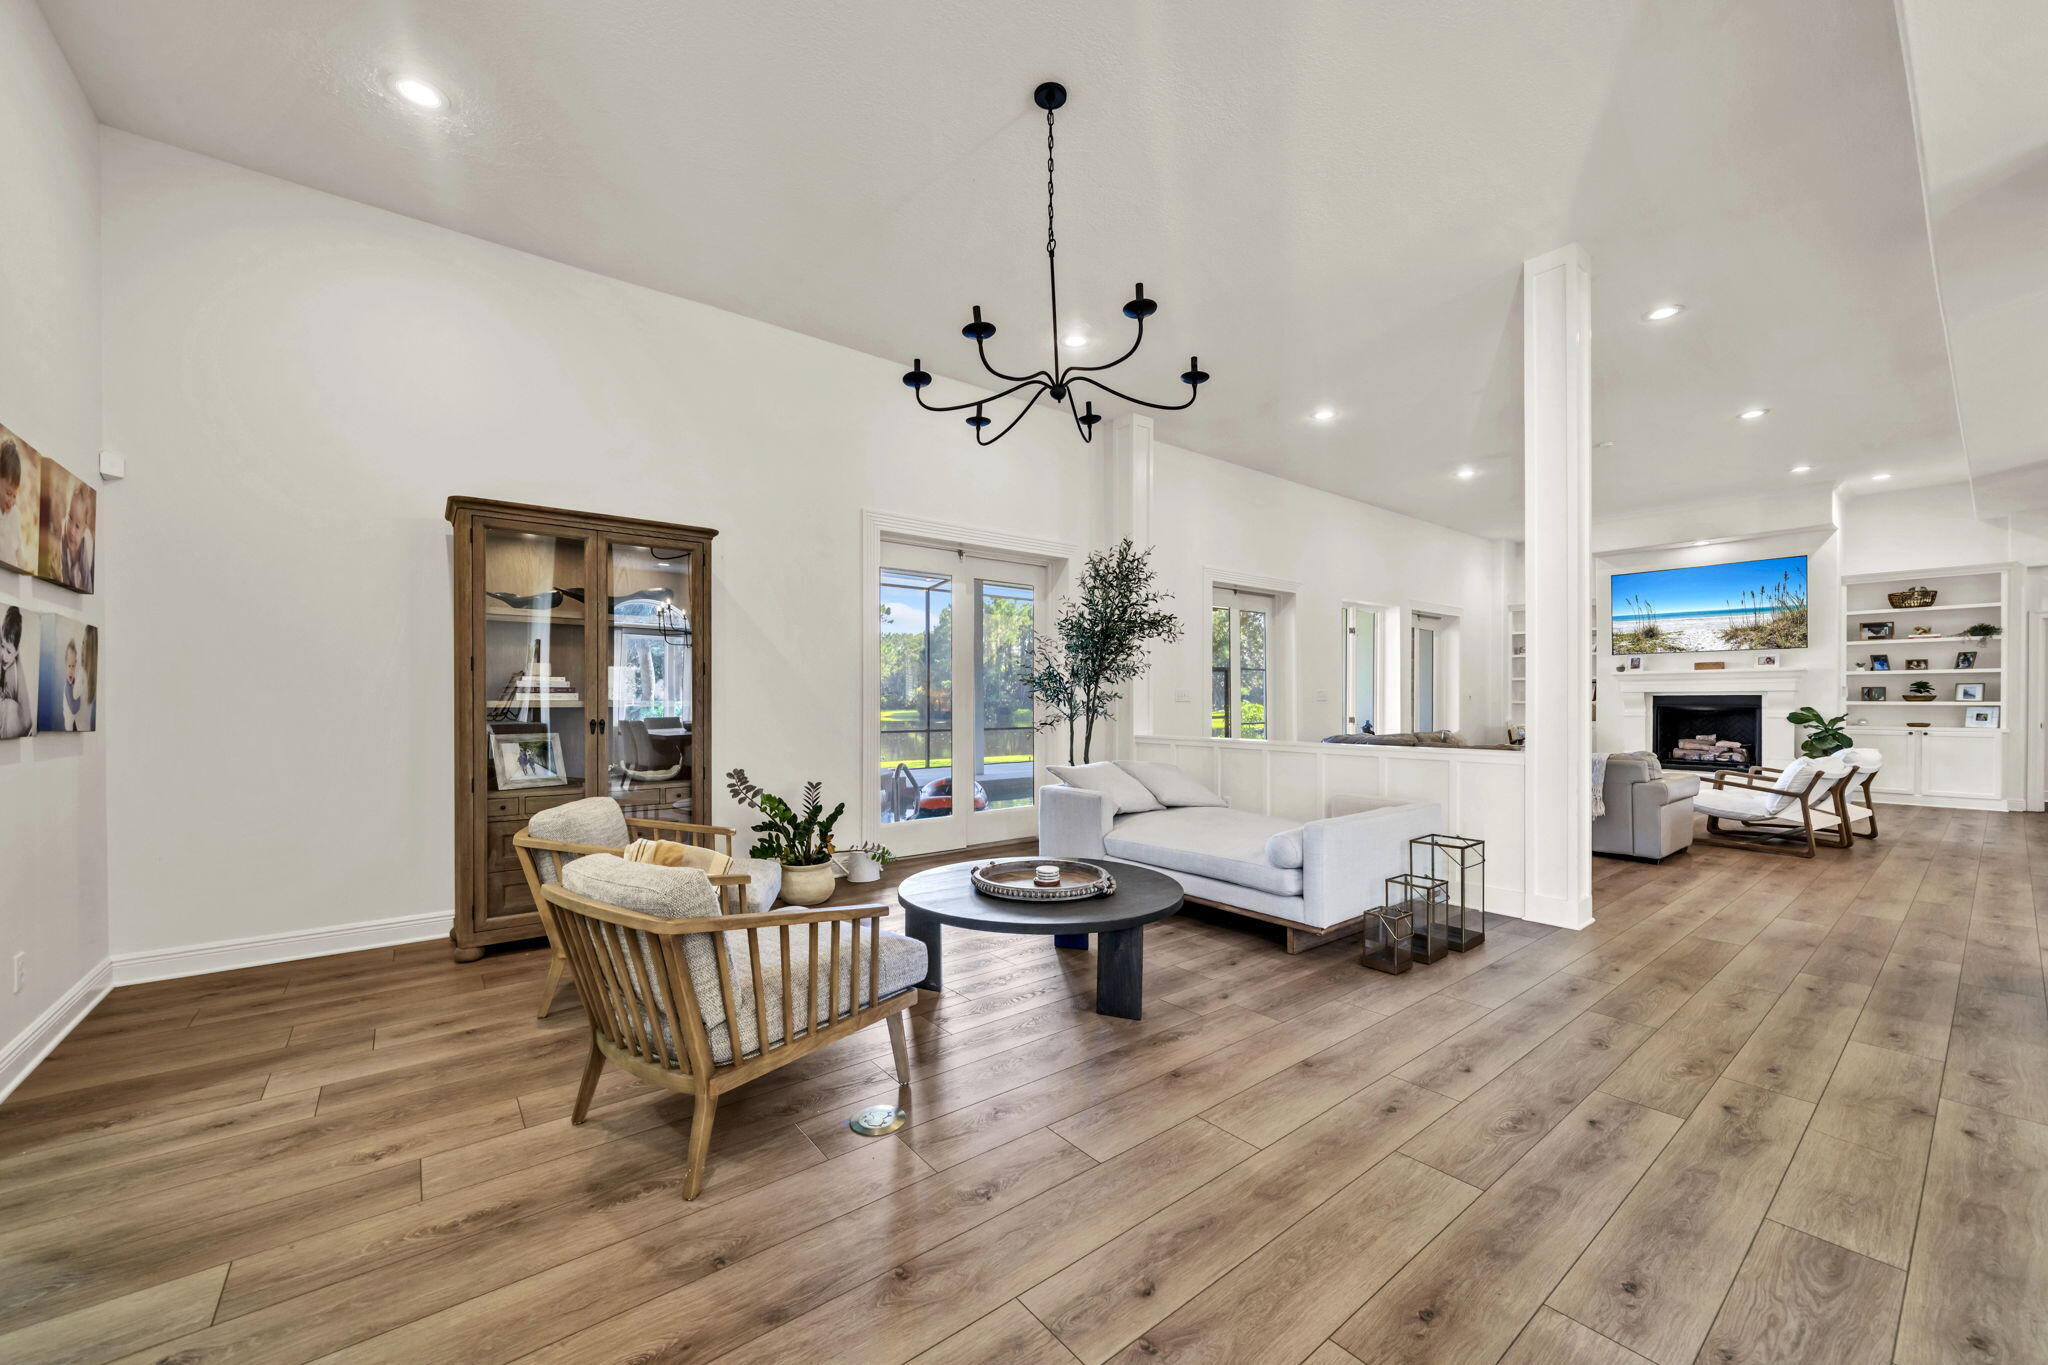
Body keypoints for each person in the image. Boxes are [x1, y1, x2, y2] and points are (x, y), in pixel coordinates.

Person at [0, 605, 29, 739]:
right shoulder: (6, 660)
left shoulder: (14, 673)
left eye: (9, 651)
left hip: (21, 723)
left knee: (8, 705)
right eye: (2, 646)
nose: (3, 655)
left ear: (17, 652)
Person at [59, 481, 93, 592]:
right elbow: (63, 565)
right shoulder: (65, 529)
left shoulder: (84, 544)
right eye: (70, 517)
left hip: (82, 573)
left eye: (77, 526)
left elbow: (87, 583)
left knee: (78, 578)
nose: (72, 530)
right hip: (71, 568)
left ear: (84, 530)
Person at [0, 438, 26, 573]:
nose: (11, 501)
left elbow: (19, 549)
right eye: (8, 493)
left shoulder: (15, 514)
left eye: (15, 495)